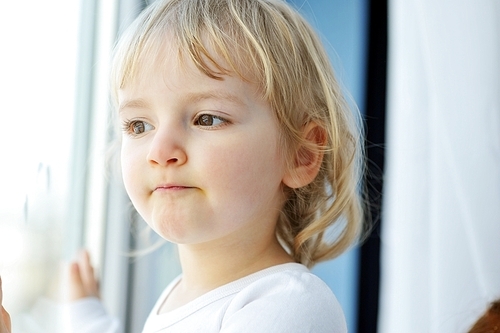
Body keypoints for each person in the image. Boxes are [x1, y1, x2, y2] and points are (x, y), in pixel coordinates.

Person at [0, 0, 364, 331]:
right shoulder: (180, 298)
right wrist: (86, 318)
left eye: (207, 119)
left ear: (301, 154)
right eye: (138, 125)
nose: (160, 151)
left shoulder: (290, 305)